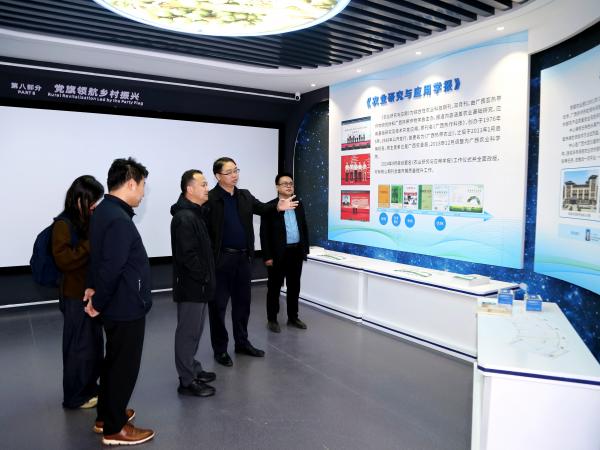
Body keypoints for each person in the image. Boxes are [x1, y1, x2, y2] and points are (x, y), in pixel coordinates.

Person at [84, 157, 155, 446]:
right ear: (131, 183)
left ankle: (106, 415)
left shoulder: (104, 210)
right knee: (123, 366)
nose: (143, 192)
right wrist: (98, 301)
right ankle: (115, 428)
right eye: (143, 185)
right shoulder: (118, 219)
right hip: (125, 305)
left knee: (113, 361)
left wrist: (93, 290)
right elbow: (112, 267)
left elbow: (97, 257)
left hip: (116, 303)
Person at [206, 157, 298, 367]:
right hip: (221, 261)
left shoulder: (244, 196)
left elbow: (263, 208)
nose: (235, 175)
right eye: (229, 172)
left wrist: (278, 206)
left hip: (243, 259)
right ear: (218, 176)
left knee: (242, 304)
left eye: (236, 170)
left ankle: (242, 343)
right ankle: (220, 350)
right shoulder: (210, 198)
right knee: (218, 307)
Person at [52, 175, 104, 410]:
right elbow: (64, 260)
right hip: (74, 295)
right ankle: (74, 396)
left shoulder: (85, 220)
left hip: (88, 293)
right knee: (77, 348)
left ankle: (89, 388)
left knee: (92, 346)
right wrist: (90, 243)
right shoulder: (63, 225)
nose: (94, 206)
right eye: (91, 201)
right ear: (79, 199)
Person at [170, 169, 216, 397]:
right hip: (192, 286)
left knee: (195, 330)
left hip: (199, 284)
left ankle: (192, 368)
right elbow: (188, 256)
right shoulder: (185, 217)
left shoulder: (195, 213)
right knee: (188, 333)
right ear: (190, 189)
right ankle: (187, 381)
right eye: (203, 184)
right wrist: (205, 276)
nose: (207, 188)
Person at [260, 173, 310, 333]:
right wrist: (267, 256)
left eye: (291, 183)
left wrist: (305, 249)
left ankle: (293, 317)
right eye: (285, 183)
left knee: (294, 286)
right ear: (277, 187)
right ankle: (272, 319)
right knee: (274, 287)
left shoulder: (298, 205)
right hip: (277, 255)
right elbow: (264, 234)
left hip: (296, 252)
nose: (289, 186)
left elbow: (303, 227)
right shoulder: (270, 207)